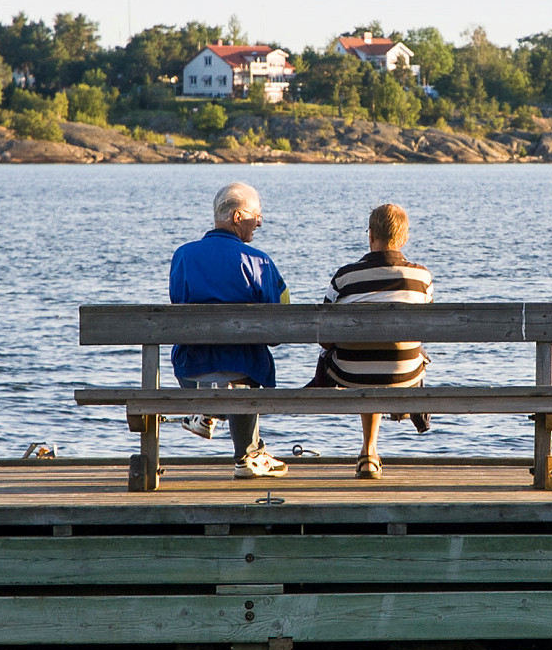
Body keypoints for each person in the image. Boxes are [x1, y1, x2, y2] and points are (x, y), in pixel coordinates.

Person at [169, 181, 290, 479]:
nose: (259, 222)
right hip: (241, 369)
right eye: (256, 216)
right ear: (237, 217)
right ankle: (248, 456)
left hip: (191, 369)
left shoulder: (183, 256)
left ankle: (209, 410)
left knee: (229, 372)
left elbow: (177, 304)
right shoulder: (259, 261)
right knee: (241, 371)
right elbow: (277, 327)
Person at [308, 203, 432, 480]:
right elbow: (423, 329)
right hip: (406, 373)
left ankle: (368, 454)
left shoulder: (345, 277)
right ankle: (383, 435)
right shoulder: (422, 278)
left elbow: (325, 341)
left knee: (363, 359)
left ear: (370, 236)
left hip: (351, 373)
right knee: (397, 354)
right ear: (405, 237)